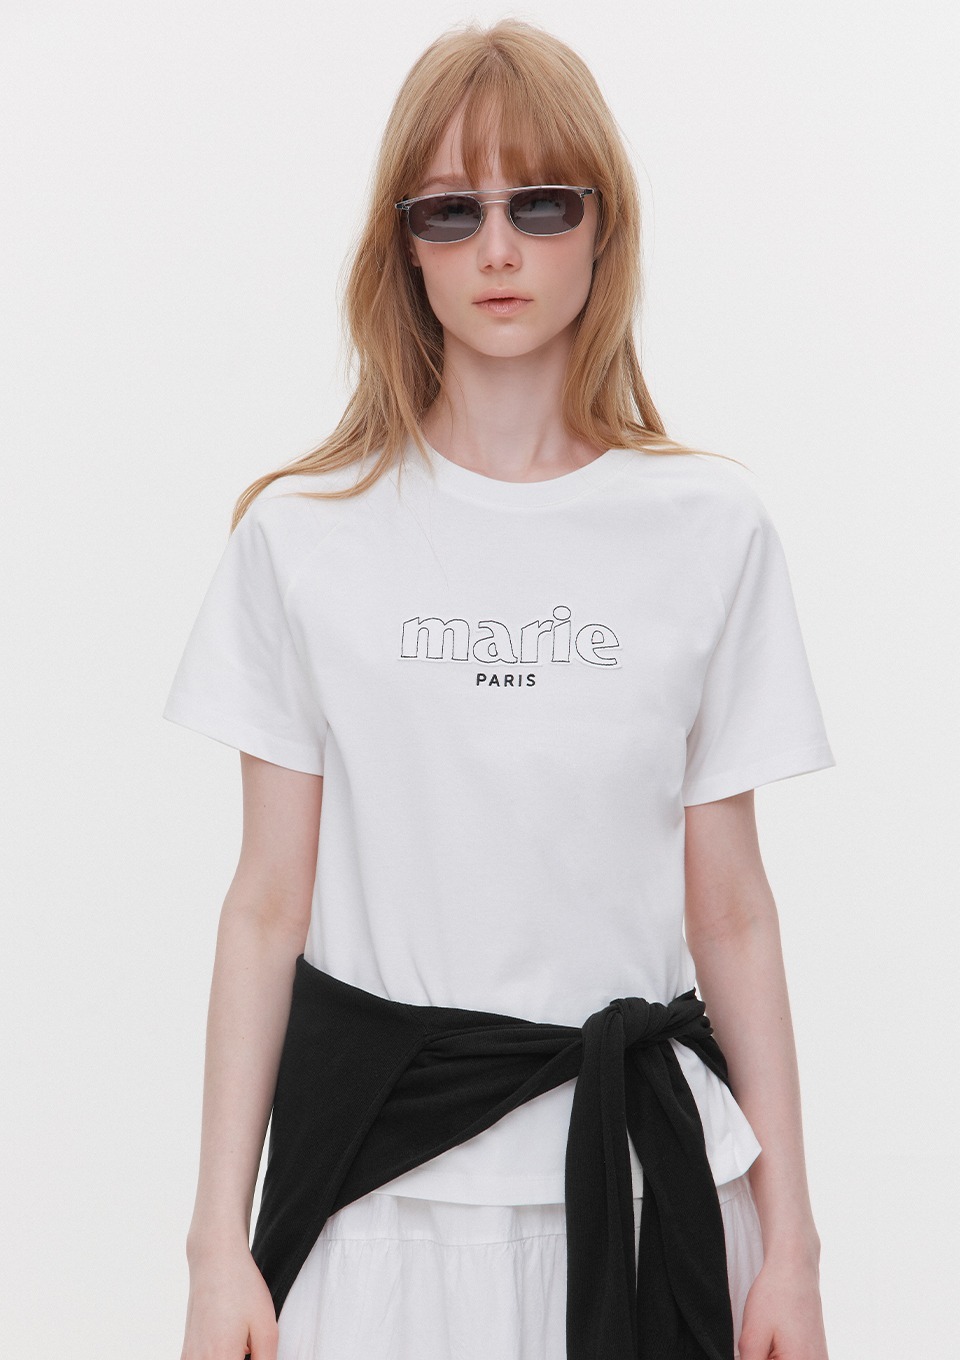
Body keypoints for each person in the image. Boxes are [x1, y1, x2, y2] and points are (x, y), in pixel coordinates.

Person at [163, 18, 834, 1360]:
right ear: (404, 247)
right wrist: (214, 1247)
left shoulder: (711, 529)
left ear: (603, 225)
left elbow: (734, 910)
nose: (499, 249)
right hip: (381, 1208)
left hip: (651, 1197)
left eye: (541, 203)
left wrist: (795, 1248)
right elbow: (266, 904)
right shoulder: (302, 537)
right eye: (451, 211)